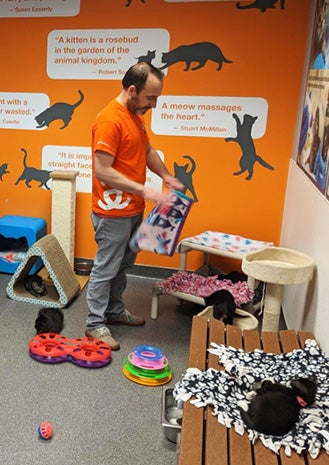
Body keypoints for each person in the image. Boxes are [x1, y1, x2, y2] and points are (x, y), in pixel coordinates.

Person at [86, 62, 184, 351]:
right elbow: (102, 170)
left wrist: (165, 175)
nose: (153, 104)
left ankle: (114, 312)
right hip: (111, 212)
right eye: (151, 98)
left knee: (124, 264)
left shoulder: (135, 116)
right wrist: (146, 190)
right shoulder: (110, 120)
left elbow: (147, 151)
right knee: (106, 267)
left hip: (132, 209)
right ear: (132, 90)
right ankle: (94, 323)